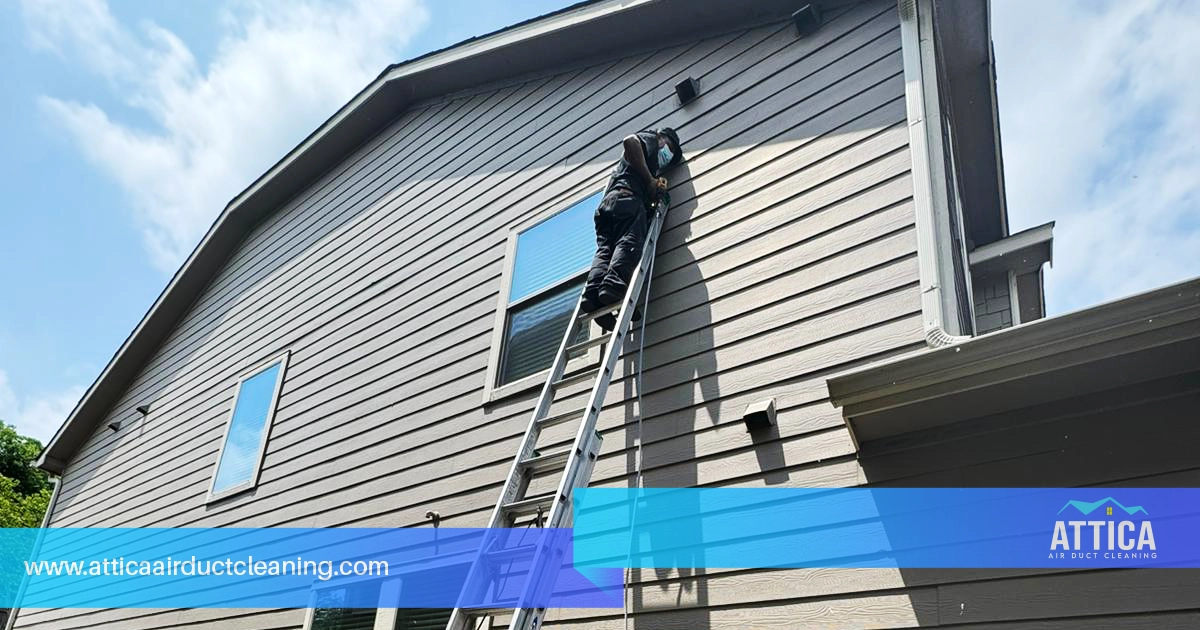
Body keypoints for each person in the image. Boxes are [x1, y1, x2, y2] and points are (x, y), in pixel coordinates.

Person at [583, 127, 683, 330]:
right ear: (662, 138)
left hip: (608, 205)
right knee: (629, 241)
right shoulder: (651, 140)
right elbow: (630, 141)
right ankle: (614, 289)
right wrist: (650, 181)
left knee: (606, 250)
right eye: (669, 148)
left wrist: (653, 193)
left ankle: (593, 297)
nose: (667, 155)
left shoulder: (645, 167)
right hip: (626, 199)